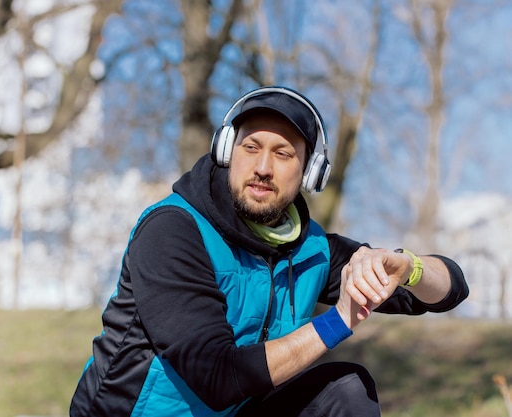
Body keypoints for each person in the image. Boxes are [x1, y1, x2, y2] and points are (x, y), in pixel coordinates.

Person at [69, 86, 469, 417]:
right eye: (251, 147)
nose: (263, 166)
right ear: (226, 152)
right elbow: (217, 377)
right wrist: (337, 322)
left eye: (283, 154)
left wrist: (407, 267)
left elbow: (450, 289)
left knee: (345, 391)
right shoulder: (173, 230)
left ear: (310, 172)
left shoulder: (311, 250)